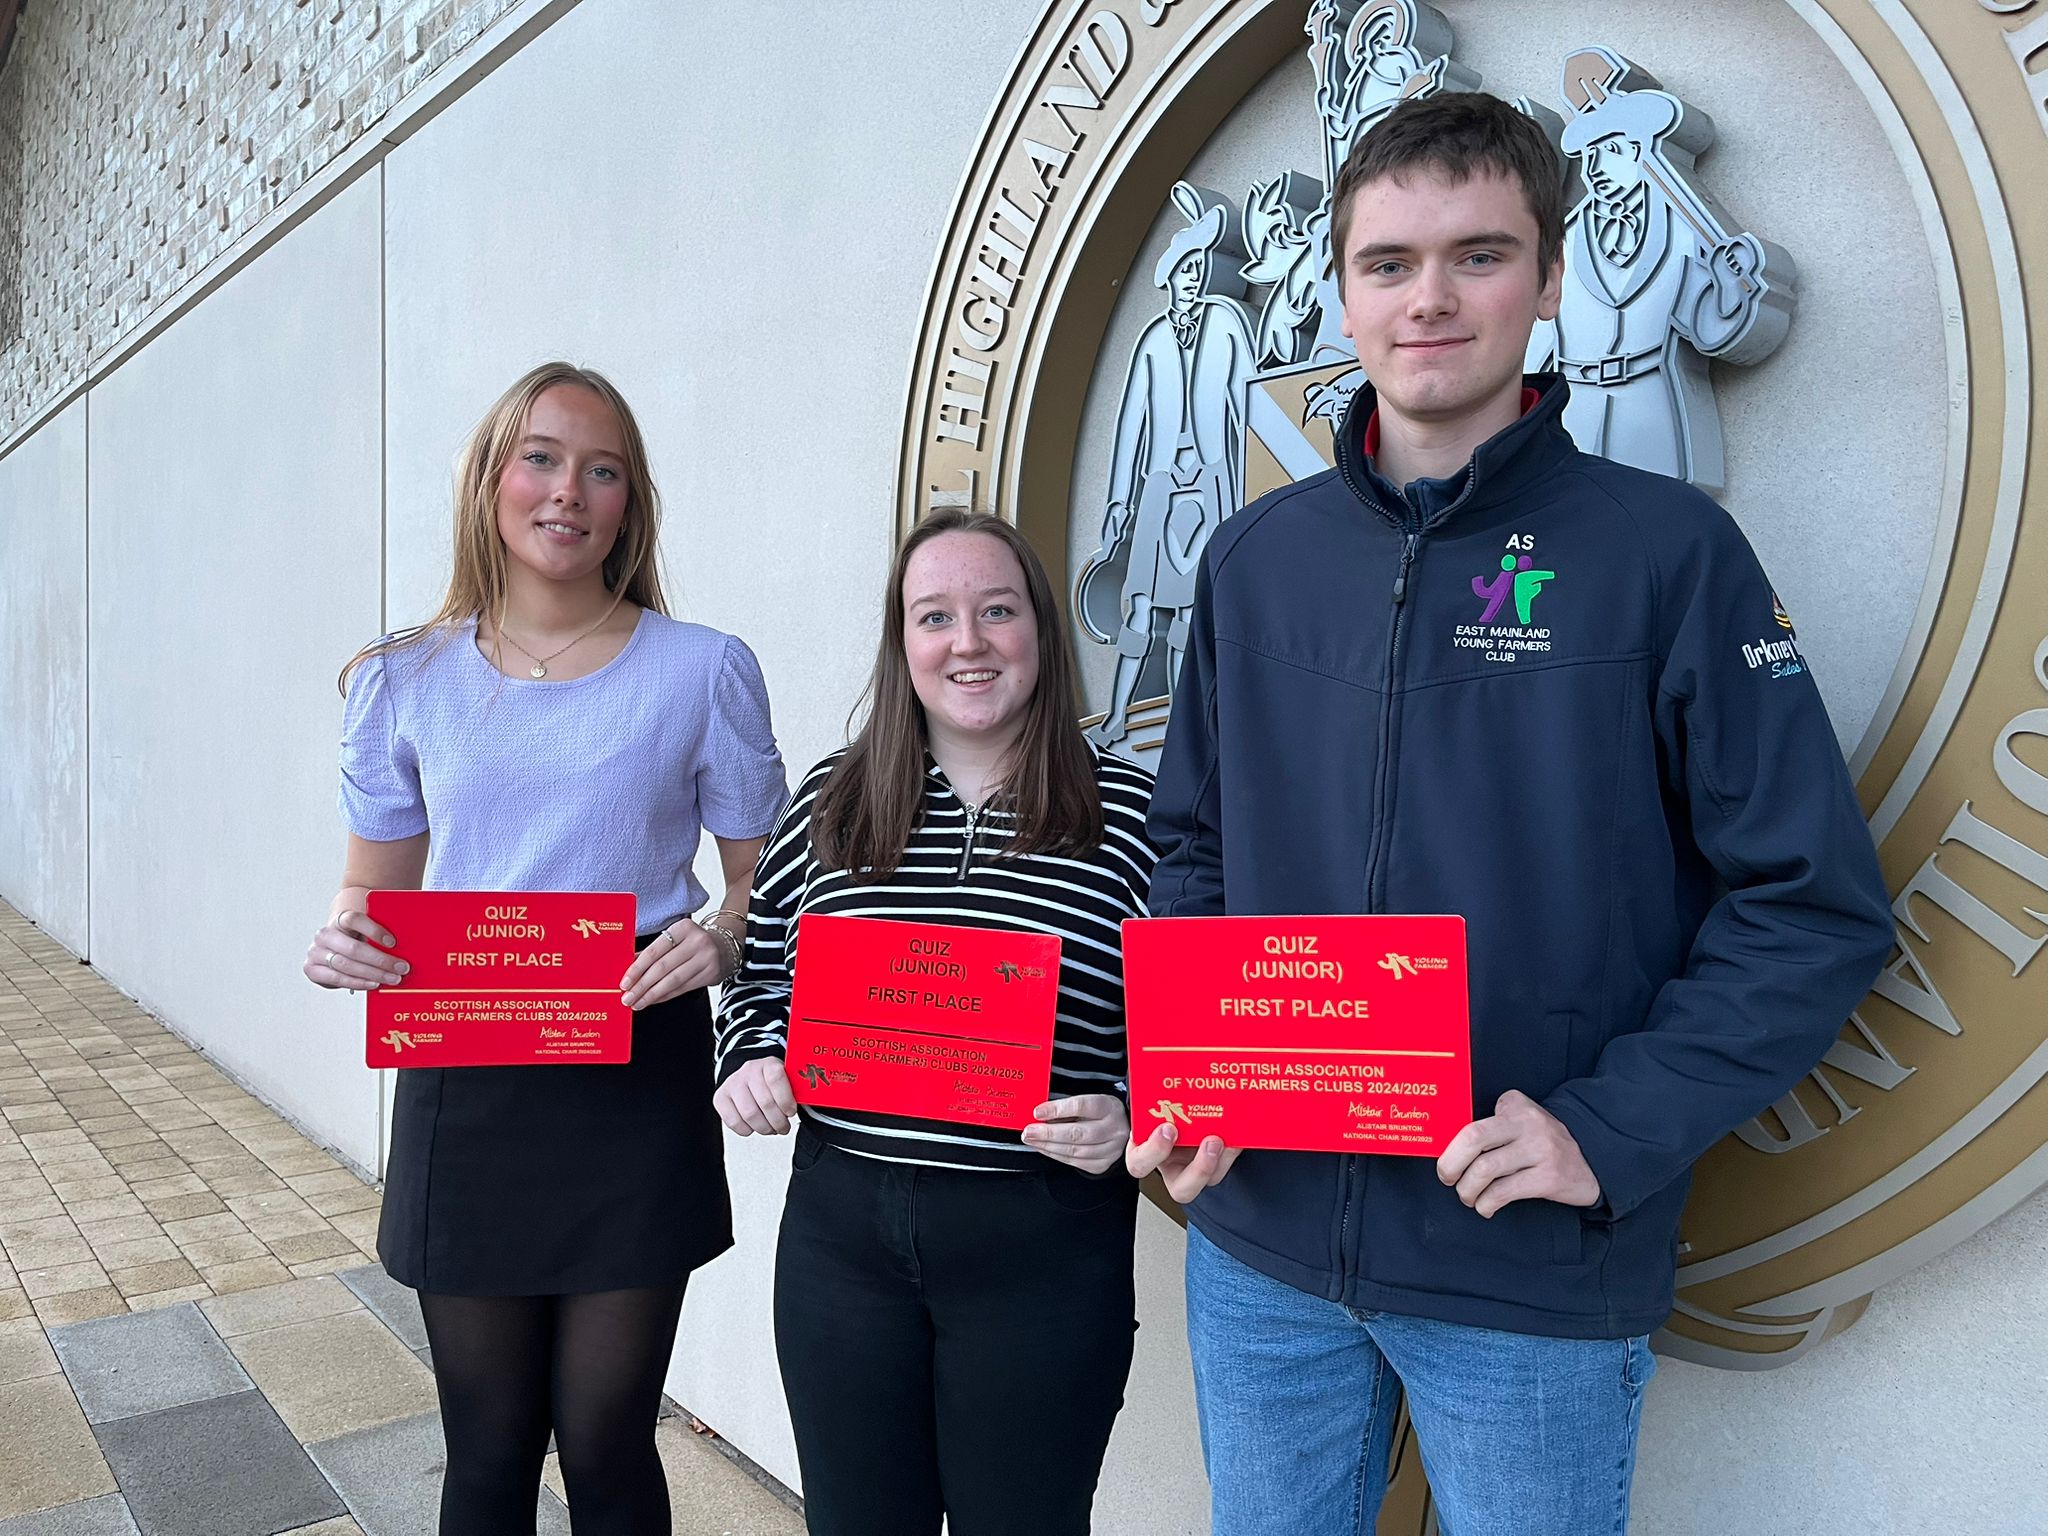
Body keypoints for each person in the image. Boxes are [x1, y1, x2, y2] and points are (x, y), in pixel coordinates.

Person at [1129, 92, 1893, 1536]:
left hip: (1523, 1266)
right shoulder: (1252, 559)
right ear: (1341, 293)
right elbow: (1194, 848)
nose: (1428, 298)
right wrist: (1198, 1068)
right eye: (1389, 262)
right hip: (1262, 1251)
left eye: (1477, 256)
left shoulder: (1668, 554)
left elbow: (1812, 905)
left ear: (1546, 283)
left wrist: (1609, 1129)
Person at [302, 362, 787, 1536]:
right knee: (488, 1447)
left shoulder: (702, 669)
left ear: (629, 503)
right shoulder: (401, 677)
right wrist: (346, 935)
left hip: (633, 1069)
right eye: (542, 458)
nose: (568, 490)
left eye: (601, 469)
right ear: (491, 479)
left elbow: (765, 885)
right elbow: (373, 890)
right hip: (467, 1077)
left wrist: (721, 938)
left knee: (608, 1439)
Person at [713, 508, 1158, 1536]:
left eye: (996, 611)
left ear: (1039, 630)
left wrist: (1131, 1109)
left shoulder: (1134, 815)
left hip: (1042, 1248)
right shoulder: (830, 800)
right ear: (901, 641)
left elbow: (1197, 1035)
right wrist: (749, 1058)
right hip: (842, 1243)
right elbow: (761, 975)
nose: (967, 642)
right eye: (934, 616)